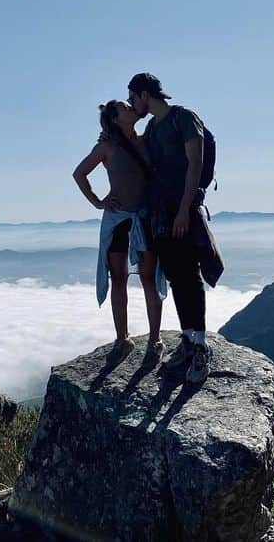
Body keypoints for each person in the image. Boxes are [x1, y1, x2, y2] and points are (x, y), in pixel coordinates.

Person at [127, 72, 223, 385]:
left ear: (144, 94)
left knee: (190, 276)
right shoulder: (154, 127)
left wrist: (184, 210)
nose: (132, 104)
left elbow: (195, 162)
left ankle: (200, 348)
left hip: (182, 211)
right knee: (177, 275)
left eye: (132, 98)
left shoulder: (183, 117)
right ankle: (188, 339)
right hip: (160, 215)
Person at [72, 100, 166, 362]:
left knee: (149, 277)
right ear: (115, 119)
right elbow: (79, 173)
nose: (130, 109)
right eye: (124, 108)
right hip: (119, 220)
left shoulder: (147, 139)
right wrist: (98, 202)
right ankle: (122, 339)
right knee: (119, 278)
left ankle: (154, 340)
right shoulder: (106, 146)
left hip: (145, 218)